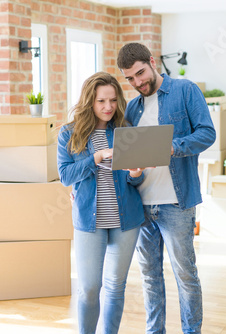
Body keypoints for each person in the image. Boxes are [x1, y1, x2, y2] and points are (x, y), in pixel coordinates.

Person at [116, 43, 216, 334]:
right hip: (141, 206)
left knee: (186, 275)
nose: (137, 83)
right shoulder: (132, 109)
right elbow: (131, 168)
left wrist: (172, 147)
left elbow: (207, 133)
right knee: (149, 277)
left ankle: (191, 331)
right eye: (130, 79)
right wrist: (133, 174)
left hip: (176, 203)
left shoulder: (185, 91)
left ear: (151, 62)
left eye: (140, 73)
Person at [57, 71, 145, 334]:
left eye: (113, 100)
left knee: (116, 286)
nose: (108, 107)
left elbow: (135, 182)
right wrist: (96, 157)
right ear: (89, 102)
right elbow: (65, 176)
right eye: (101, 101)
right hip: (89, 221)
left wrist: (135, 175)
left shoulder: (126, 132)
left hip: (125, 219)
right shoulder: (69, 134)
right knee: (89, 288)